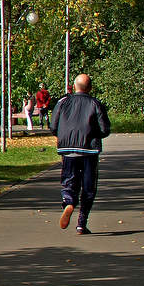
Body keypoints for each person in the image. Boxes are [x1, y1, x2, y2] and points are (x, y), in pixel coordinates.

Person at [52, 73, 111, 235]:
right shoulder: (95, 103)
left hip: (68, 150)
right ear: (90, 88)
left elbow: (53, 125)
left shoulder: (63, 102)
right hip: (89, 150)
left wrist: (63, 136)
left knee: (69, 180)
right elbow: (105, 129)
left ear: (74, 86)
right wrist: (92, 135)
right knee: (88, 187)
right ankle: (81, 223)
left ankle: (69, 201)